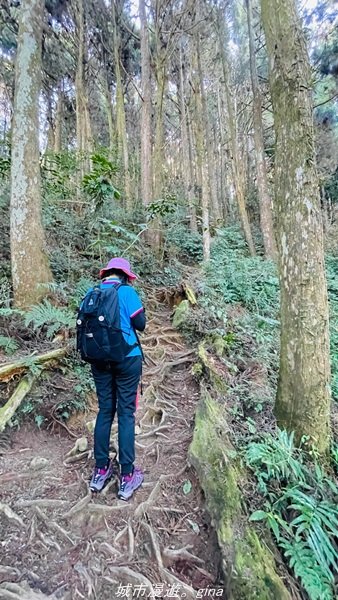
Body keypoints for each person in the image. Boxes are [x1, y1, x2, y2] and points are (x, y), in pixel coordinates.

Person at [89, 257, 145, 500]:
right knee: (125, 414)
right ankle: (127, 476)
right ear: (125, 275)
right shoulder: (127, 293)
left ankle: (100, 471)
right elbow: (140, 324)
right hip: (127, 359)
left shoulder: (92, 293)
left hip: (99, 361)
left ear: (107, 274)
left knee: (104, 411)